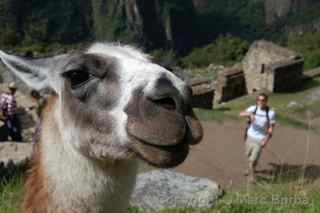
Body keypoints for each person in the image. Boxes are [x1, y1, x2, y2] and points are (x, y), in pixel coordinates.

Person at [239, 93, 276, 183]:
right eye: (259, 100)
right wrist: (250, 114)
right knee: (248, 155)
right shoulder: (253, 108)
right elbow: (241, 114)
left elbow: (271, 129)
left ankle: (252, 178)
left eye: (263, 100)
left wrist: (266, 140)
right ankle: (251, 169)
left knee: (253, 159)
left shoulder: (270, 113)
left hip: (260, 139)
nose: (260, 102)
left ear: (266, 101)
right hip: (249, 136)